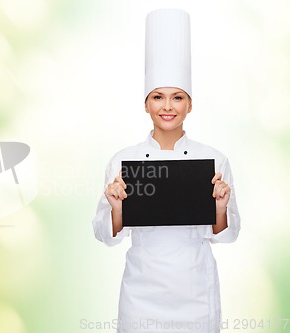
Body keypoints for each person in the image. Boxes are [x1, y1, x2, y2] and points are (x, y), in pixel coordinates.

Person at [92, 8, 241, 333]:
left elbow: (227, 234)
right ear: (146, 104)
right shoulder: (122, 161)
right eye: (158, 97)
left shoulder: (214, 160)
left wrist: (219, 207)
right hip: (142, 294)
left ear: (190, 104)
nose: (168, 106)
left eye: (178, 97)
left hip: (195, 293)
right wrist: (117, 208)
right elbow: (106, 235)